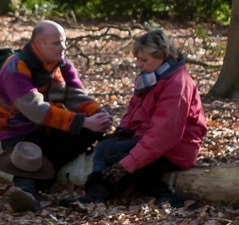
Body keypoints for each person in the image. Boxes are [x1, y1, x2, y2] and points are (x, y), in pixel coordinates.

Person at [61, 29, 207, 208]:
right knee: (107, 147)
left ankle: (166, 197)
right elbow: (134, 110)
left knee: (114, 155)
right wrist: (124, 129)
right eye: (137, 59)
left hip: (176, 148)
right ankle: (95, 195)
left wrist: (127, 164)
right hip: (149, 141)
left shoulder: (177, 84)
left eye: (144, 60)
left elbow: (164, 136)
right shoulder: (152, 78)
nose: (139, 64)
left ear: (161, 56)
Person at [0, 20, 112, 213]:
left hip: (49, 128)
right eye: (57, 43)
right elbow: (36, 110)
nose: (63, 47)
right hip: (18, 131)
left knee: (92, 130)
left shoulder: (62, 64)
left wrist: (97, 114)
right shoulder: (14, 68)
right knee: (27, 154)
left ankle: (44, 173)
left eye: (63, 42)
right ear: (39, 43)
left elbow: (76, 96)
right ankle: (26, 193)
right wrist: (82, 121)